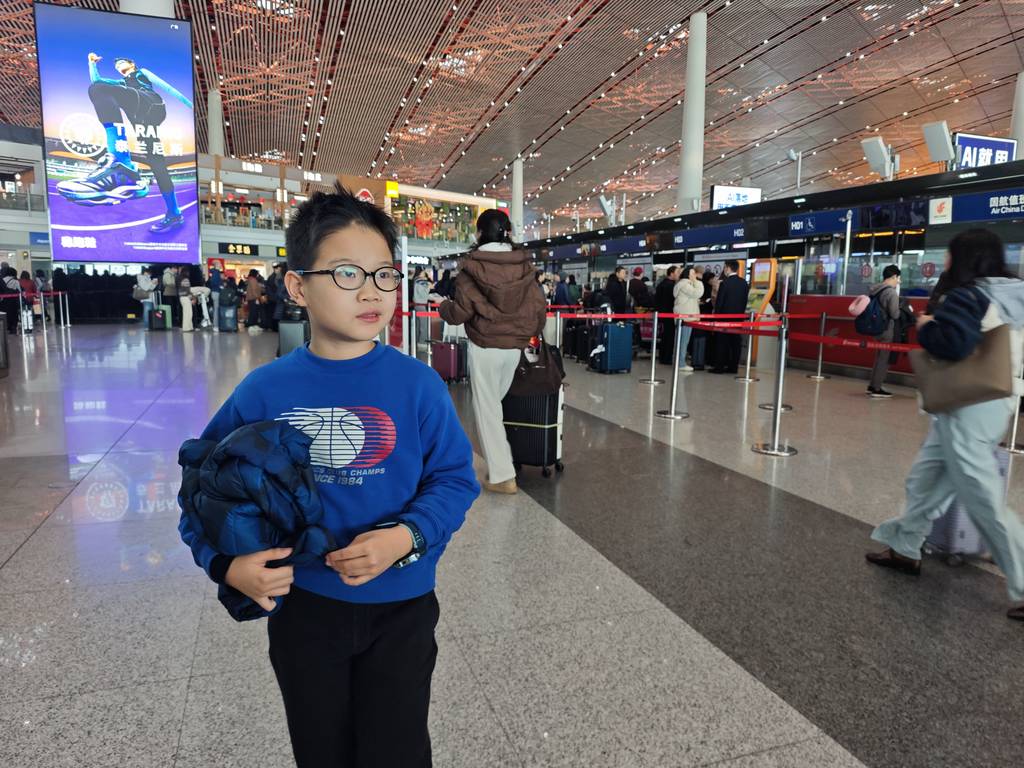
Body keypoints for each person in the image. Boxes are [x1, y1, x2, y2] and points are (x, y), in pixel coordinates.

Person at [179, 184, 479, 766]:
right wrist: (224, 565)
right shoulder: (266, 390)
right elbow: (201, 488)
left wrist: (405, 536)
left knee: (398, 750)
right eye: (346, 273)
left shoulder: (417, 386)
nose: (372, 292)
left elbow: (454, 479)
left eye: (385, 275)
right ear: (298, 287)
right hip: (306, 609)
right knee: (320, 748)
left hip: (402, 607)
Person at [865, 229, 1024, 623]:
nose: (947, 263)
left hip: (968, 406)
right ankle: (905, 548)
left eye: (951, 255)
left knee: (982, 497)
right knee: (926, 479)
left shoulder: (970, 295)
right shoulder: (1012, 293)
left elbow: (952, 343)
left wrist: (926, 325)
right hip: (993, 401)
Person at [439, 209, 547, 495]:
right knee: (495, 406)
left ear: (479, 233)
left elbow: (460, 313)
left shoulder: (471, 268)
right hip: (514, 348)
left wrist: (443, 306)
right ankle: (502, 466)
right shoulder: (524, 267)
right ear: (508, 232)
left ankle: (502, 475)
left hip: (485, 346)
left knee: (488, 410)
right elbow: (539, 310)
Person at [57, 53, 192, 233]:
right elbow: (96, 81)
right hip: (140, 119)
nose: (119, 65)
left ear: (132, 64)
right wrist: (92, 64)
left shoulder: (141, 73)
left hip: (151, 103)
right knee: (157, 164)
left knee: (99, 89)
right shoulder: (121, 83)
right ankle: (174, 212)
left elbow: (166, 87)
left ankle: (122, 163)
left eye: (122, 62)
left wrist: (192, 106)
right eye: (116, 65)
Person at [865, 265, 902, 398]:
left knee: (878, 357)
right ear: (893, 276)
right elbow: (894, 314)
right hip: (886, 329)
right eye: (898, 278)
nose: (899, 281)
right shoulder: (891, 292)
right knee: (884, 359)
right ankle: (877, 388)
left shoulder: (875, 290)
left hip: (876, 328)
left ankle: (872, 385)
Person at [710, 260, 749, 374]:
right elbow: (745, 301)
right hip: (738, 318)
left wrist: (716, 316)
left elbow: (720, 302)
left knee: (722, 343)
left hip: (724, 318)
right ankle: (733, 367)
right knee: (735, 343)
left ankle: (719, 367)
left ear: (728, 268)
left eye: (725, 267)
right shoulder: (744, 283)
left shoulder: (725, 283)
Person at [673, 265, 704, 371]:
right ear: (688, 274)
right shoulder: (685, 284)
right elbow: (698, 293)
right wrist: (697, 282)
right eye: (693, 273)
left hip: (683, 316)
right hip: (686, 317)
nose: (695, 275)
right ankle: (681, 363)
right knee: (683, 341)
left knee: (681, 340)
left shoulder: (683, 284)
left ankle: (678, 361)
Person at [692, 270, 716, 370]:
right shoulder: (710, 289)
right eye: (712, 278)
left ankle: (696, 361)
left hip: (698, 316)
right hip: (706, 317)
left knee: (698, 338)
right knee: (703, 338)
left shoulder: (700, 287)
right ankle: (701, 361)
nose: (714, 280)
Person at [654, 266, 679, 364]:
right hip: (669, 314)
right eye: (677, 272)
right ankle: (667, 358)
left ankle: (663, 357)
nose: (678, 274)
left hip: (662, 314)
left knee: (664, 336)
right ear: (671, 273)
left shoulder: (661, 284)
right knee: (669, 337)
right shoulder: (671, 286)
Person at [1, 266, 20, 334]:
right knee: (14, 314)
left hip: (4, 301)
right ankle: (13, 328)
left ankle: (6, 327)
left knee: (6, 314)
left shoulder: (3, 279)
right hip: (13, 301)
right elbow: (19, 290)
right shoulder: (15, 281)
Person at [177, 265, 195, 332]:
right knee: (188, 313)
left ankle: (189, 327)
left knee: (187, 313)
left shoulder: (179, 278)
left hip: (181, 297)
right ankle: (187, 328)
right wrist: (192, 298)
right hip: (186, 297)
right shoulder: (185, 279)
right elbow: (187, 290)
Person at [208, 263, 224, 332]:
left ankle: (215, 325)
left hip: (214, 292)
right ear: (217, 266)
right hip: (216, 292)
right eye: (220, 265)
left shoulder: (214, 272)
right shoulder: (216, 273)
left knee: (216, 309)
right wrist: (220, 286)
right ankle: (216, 326)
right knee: (216, 309)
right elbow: (214, 283)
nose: (221, 266)